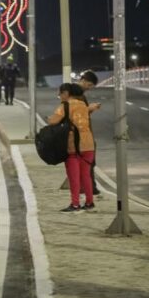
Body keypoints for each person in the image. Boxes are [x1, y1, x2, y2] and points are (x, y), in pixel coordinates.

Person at [48, 83, 96, 212]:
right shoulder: (83, 105)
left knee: (74, 177)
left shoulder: (65, 106)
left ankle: (75, 204)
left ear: (66, 93)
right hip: (88, 145)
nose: (60, 96)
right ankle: (89, 202)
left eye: (60, 93)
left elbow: (53, 121)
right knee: (86, 175)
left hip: (73, 146)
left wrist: (49, 119)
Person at [78, 69, 102, 195]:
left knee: (89, 160)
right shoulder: (76, 94)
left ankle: (90, 186)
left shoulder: (80, 94)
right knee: (88, 160)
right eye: (89, 85)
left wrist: (90, 109)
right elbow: (74, 113)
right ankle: (89, 187)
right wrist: (89, 108)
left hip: (84, 130)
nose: (90, 88)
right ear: (83, 80)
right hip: (81, 132)